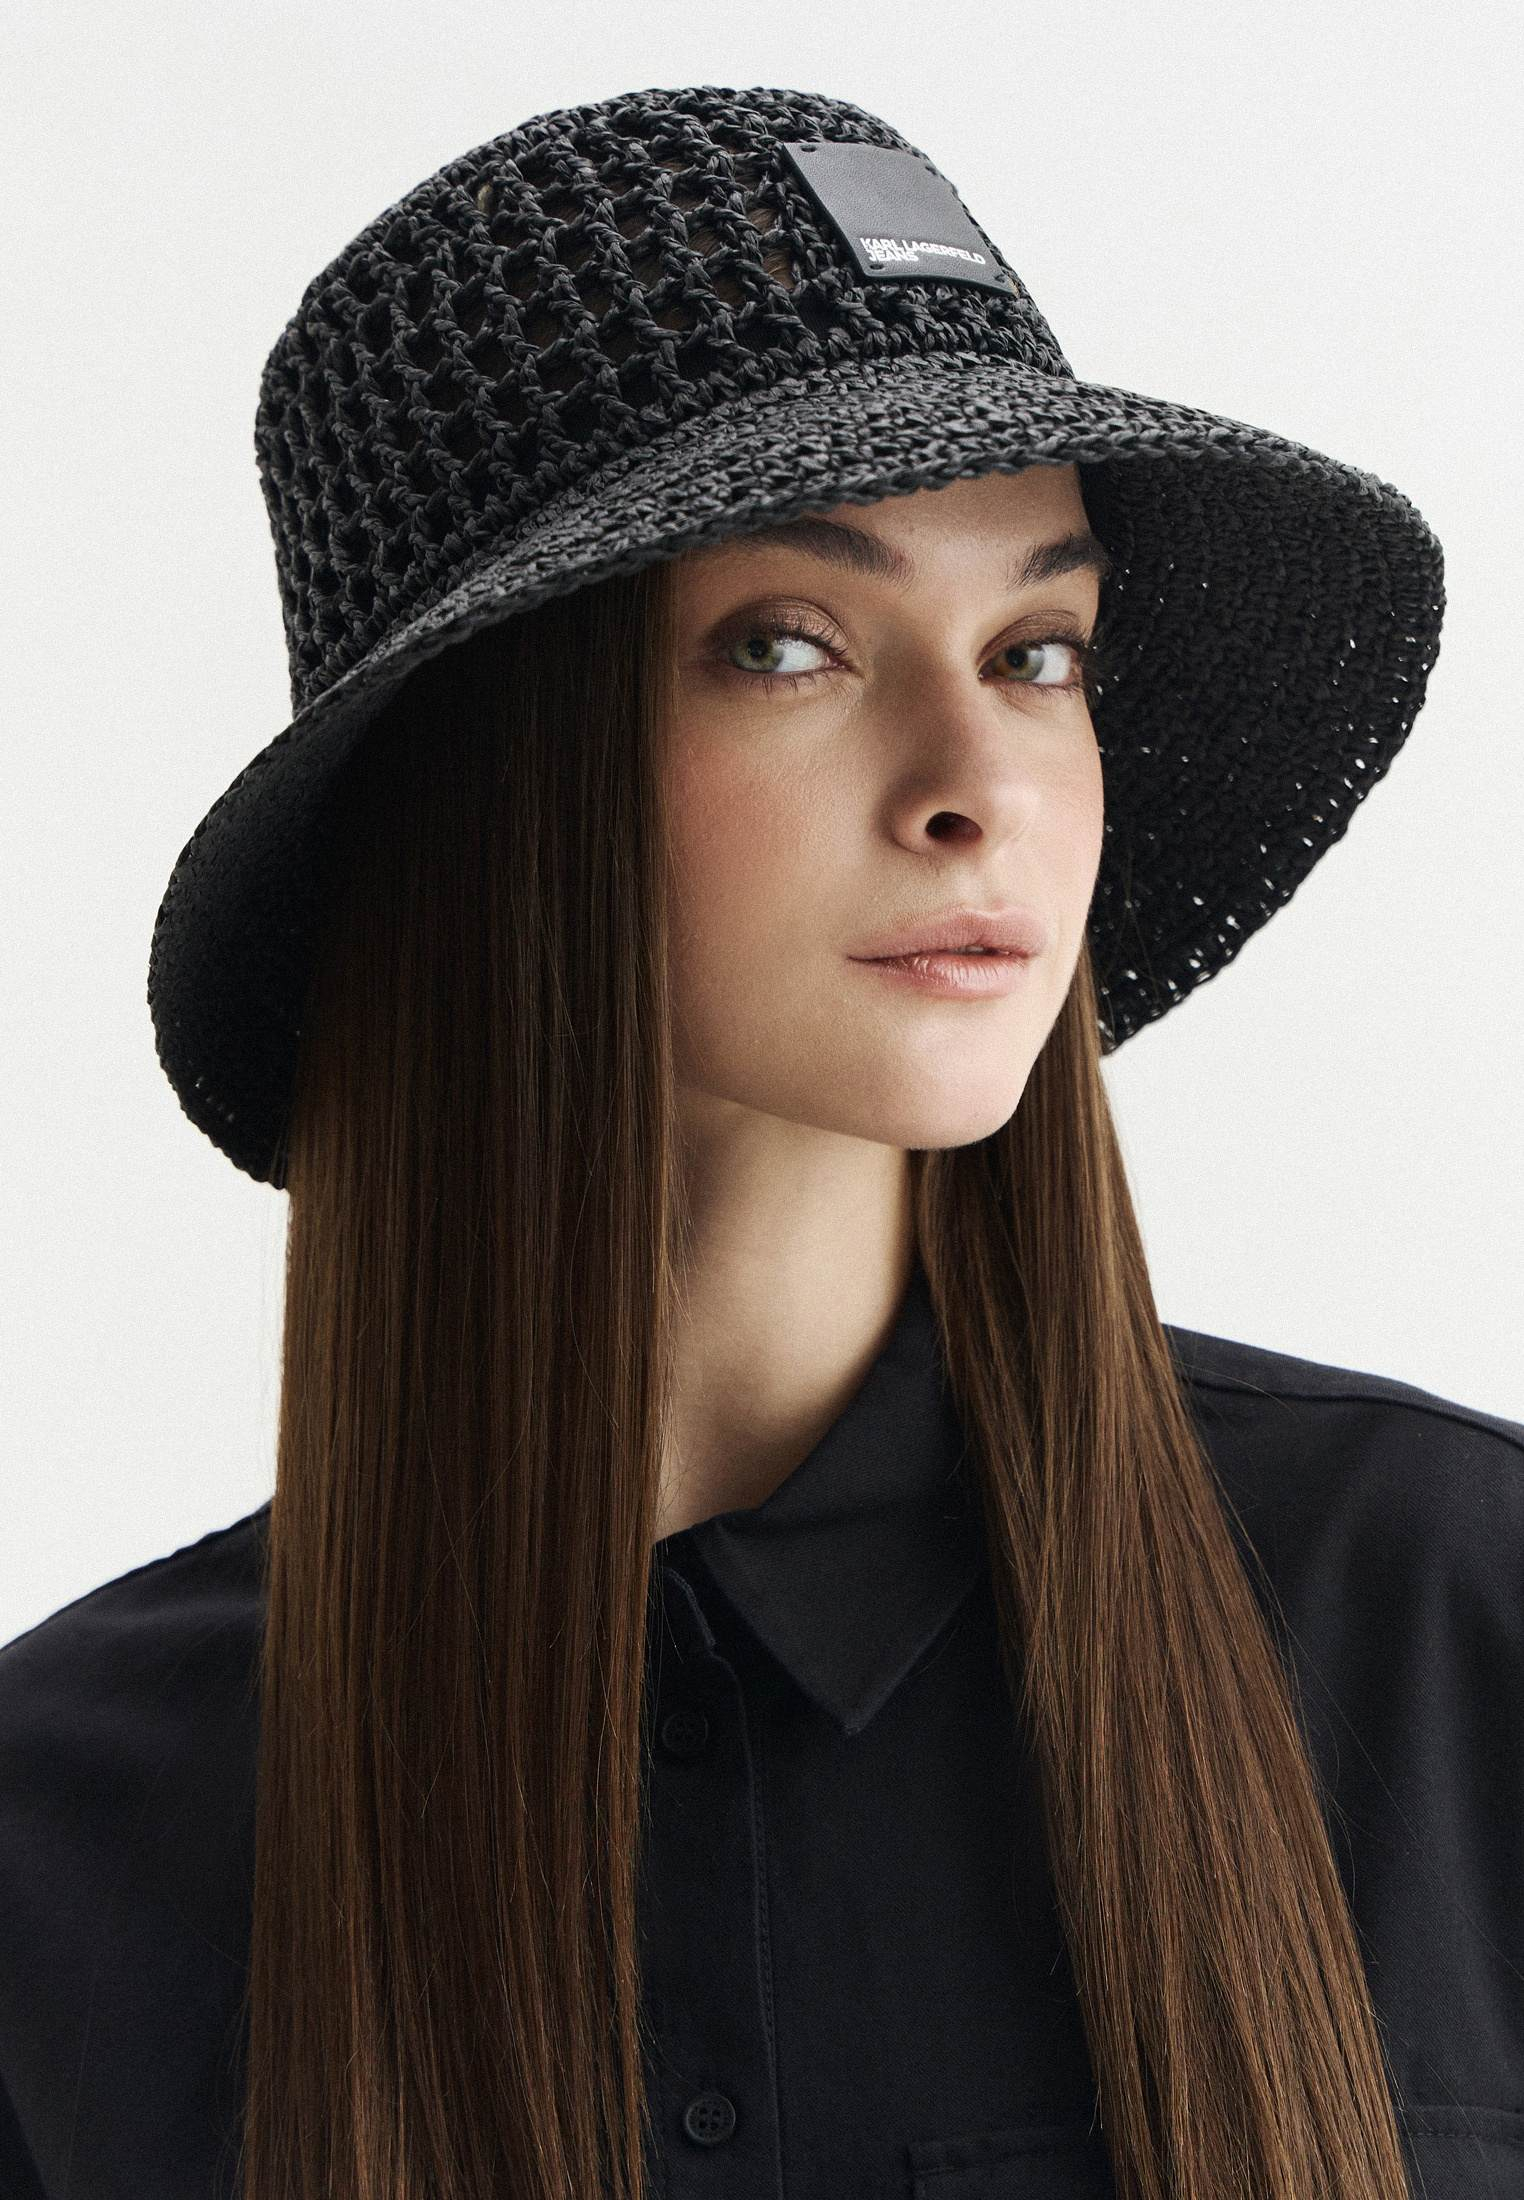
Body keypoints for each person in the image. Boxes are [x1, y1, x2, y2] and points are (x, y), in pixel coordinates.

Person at [1, 81, 1519, 2200]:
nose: (977, 779)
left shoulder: (1448, 1620)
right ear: (485, 786)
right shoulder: (68, 1838)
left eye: (1039, 649)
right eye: (789, 645)